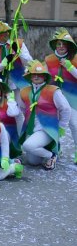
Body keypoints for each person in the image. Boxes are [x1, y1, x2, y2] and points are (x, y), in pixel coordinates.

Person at [19, 60, 71, 170]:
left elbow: (66, 109)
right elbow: (22, 108)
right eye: (34, 74)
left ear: (45, 76)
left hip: (47, 129)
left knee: (28, 145)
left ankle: (52, 155)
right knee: (33, 162)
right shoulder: (24, 91)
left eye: (40, 74)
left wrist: (61, 127)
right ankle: (50, 149)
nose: (36, 76)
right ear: (30, 76)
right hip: (32, 129)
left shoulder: (53, 90)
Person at [44, 28, 77, 164]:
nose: (61, 47)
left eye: (64, 44)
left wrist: (70, 67)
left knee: (74, 125)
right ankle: (55, 148)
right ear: (55, 45)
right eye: (59, 44)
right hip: (54, 97)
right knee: (54, 125)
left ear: (69, 45)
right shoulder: (48, 59)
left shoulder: (75, 59)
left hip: (72, 98)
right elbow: (42, 77)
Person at [0, 19, 32, 90]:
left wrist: (19, 52)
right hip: (0, 86)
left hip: (20, 83)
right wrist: (5, 63)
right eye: (1, 32)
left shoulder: (19, 44)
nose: (4, 34)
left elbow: (29, 63)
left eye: (6, 32)